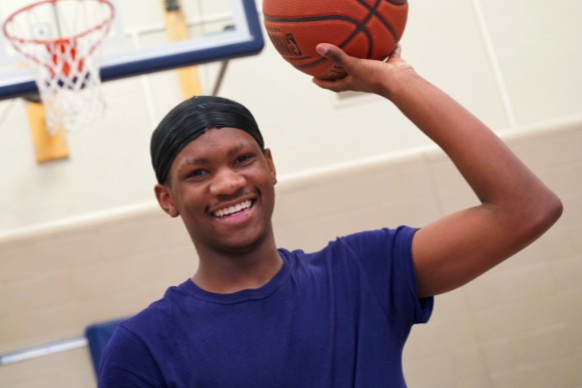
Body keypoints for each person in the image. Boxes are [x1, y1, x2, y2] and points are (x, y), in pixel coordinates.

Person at [98, 43, 562, 387]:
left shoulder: (361, 272)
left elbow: (526, 209)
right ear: (167, 199)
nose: (227, 183)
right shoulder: (144, 348)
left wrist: (396, 82)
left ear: (270, 166)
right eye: (198, 172)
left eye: (242, 159)